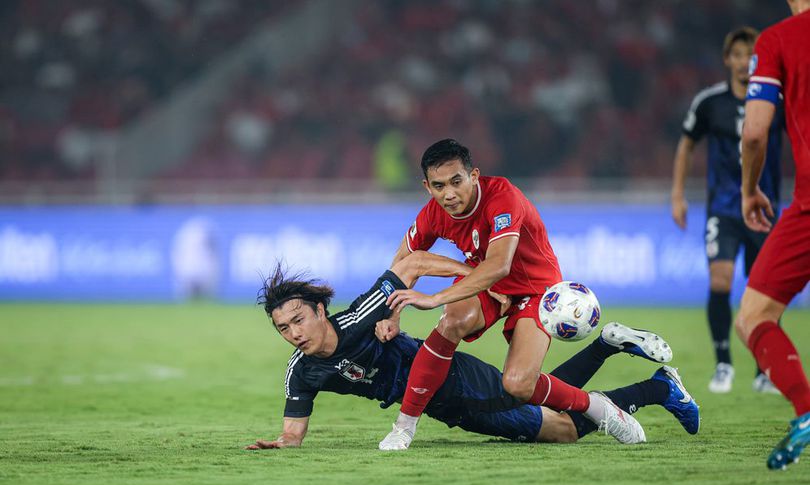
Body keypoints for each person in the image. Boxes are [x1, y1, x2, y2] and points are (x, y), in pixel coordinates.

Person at [378, 139, 669, 450]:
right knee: (452, 320)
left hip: (536, 289)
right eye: (438, 186)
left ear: (474, 175)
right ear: (427, 186)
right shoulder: (433, 213)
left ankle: (600, 408)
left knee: (518, 384)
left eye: (456, 181)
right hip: (488, 284)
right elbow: (403, 262)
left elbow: (500, 265)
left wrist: (434, 298)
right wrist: (391, 313)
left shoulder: (502, 197)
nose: (448, 194)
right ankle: (404, 427)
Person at [246, 254, 699, 450]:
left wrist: (481, 278)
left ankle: (656, 388)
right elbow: (293, 431)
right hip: (445, 408)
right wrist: (282, 443)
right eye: (283, 328)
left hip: (452, 380)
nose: (293, 333)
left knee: (562, 430)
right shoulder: (301, 372)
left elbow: (416, 262)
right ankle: (608, 347)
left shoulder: (362, 316)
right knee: (538, 403)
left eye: (298, 319)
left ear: (320, 310)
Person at [671, 27, 783, 394]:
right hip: (723, 208)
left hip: (764, 209)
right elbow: (686, 146)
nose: (744, 62)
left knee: (764, 291)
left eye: (750, 55)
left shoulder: (775, 99)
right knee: (720, 281)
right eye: (737, 55)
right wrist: (677, 195)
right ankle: (723, 364)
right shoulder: (709, 103)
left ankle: (763, 369)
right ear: (727, 60)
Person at [735, 0, 810, 470]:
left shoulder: (780, 39)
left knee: (754, 316)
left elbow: (756, 134)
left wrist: (750, 189)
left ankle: (806, 409)